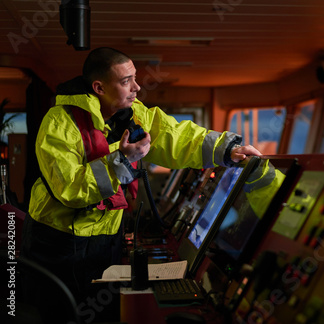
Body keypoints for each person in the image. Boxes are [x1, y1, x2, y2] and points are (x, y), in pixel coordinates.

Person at [20, 47, 261, 322]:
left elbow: (175, 136)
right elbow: (71, 189)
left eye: (135, 78)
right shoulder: (60, 123)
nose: (136, 87)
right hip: (60, 243)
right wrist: (121, 161)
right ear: (99, 87)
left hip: (105, 240)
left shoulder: (133, 114)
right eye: (126, 81)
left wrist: (226, 150)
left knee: (104, 315)